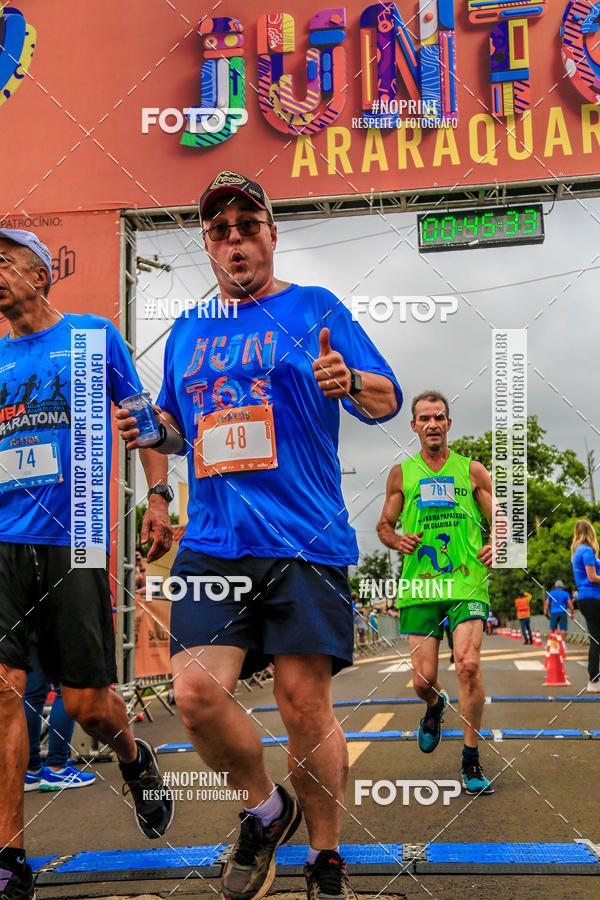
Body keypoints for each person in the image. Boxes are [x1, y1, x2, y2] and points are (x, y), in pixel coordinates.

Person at [116, 171, 401, 900]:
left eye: (248, 224)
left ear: (271, 234)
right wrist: (152, 431)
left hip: (304, 537)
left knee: (305, 704)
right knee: (194, 693)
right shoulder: (187, 332)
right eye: (220, 230)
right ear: (209, 247)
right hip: (215, 539)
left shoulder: (316, 307)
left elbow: (387, 397)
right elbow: (178, 430)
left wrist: (346, 381)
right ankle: (267, 810)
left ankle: (326, 857)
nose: (235, 238)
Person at [0, 228, 175, 899]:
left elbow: (143, 420)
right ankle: (11, 857)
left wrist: (157, 495)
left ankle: (133, 758)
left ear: (41, 274)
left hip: (76, 541)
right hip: (4, 543)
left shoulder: (90, 337)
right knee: (4, 692)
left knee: (88, 706)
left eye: (5, 261)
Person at [377, 390, 499, 795]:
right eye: (424, 418)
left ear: (448, 424)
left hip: (466, 580)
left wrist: (498, 544)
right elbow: (384, 526)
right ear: (414, 426)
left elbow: (501, 517)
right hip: (420, 585)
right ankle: (434, 705)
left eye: (439, 417)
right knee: (423, 680)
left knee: (467, 664)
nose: (432, 423)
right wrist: (397, 541)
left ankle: (470, 759)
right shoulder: (401, 474)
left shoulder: (472, 470)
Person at [24, 642, 96, 791]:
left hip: (27, 623)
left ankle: (31, 770)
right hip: (59, 622)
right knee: (66, 688)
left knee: (32, 694)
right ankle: (57, 768)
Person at [571, 520, 600, 692]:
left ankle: (594, 681)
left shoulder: (577, 552)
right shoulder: (587, 551)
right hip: (593, 598)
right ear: (591, 532)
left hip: (587, 599)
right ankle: (594, 680)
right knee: (596, 640)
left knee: (596, 639)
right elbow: (592, 577)